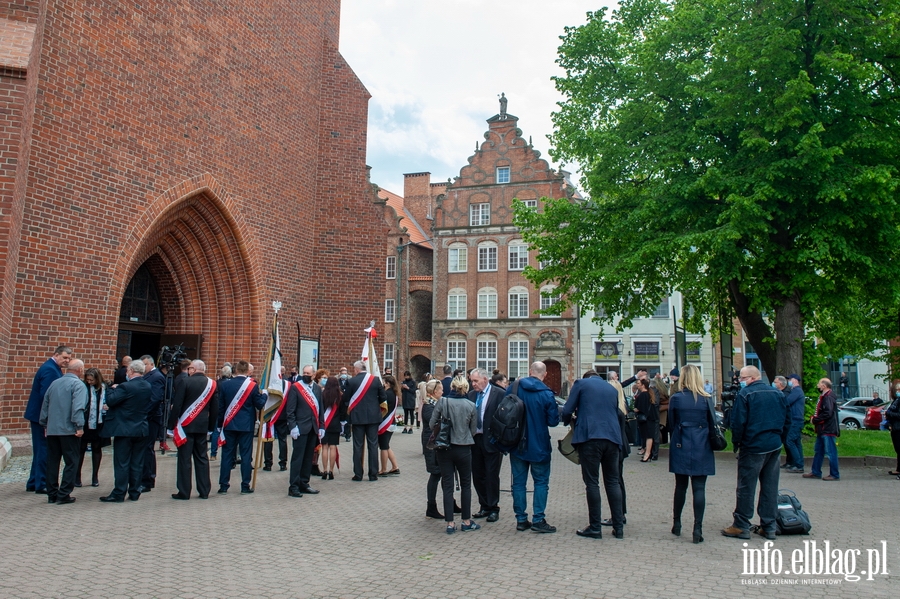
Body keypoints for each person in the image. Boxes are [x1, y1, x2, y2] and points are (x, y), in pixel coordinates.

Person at [721, 365, 791, 541]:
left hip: (753, 446)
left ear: (752, 378)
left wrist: (737, 443)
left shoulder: (745, 395)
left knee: (746, 486)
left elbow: (738, 422)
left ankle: (741, 525)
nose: (740, 381)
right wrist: (780, 438)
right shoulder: (777, 393)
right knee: (770, 487)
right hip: (774, 444)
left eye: (743, 378)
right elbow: (787, 419)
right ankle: (769, 526)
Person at [508, 361, 561, 533]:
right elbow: (553, 421)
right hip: (539, 445)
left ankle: (521, 519)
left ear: (530, 371)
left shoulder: (514, 387)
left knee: (518, 483)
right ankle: (538, 519)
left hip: (517, 444)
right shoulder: (546, 394)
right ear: (544, 374)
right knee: (540, 482)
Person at [668, 364, 715, 543]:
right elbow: (712, 423)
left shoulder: (677, 398)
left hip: (681, 443)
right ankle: (698, 528)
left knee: (680, 486)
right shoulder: (706, 399)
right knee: (699, 488)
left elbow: (671, 424)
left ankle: (677, 523)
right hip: (702, 445)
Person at [430, 374, 479, 534]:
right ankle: (466, 521)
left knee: (448, 485)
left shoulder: (443, 402)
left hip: (444, 448)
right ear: (466, 388)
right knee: (466, 485)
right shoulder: (471, 405)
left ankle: (450, 523)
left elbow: (432, 423)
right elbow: (473, 429)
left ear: (451, 387)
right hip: (464, 447)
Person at [99, 359, 151, 502]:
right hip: (141, 428)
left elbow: (111, 401)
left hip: (124, 429)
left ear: (131, 371)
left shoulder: (125, 387)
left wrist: (111, 389)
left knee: (122, 462)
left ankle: (119, 492)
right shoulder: (147, 386)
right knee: (137, 462)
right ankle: (134, 491)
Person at [24, 345, 73, 495]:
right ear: (56, 355)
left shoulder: (52, 367)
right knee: (44, 450)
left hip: (39, 416)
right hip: (42, 417)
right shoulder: (50, 370)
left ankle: (34, 481)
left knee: (40, 449)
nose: (67, 361)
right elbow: (48, 396)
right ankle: (42, 483)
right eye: (65, 357)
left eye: (69, 359)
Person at [167, 360, 218, 500]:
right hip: (202, 426)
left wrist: (170, 426)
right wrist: (211, 427)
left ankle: (184, 491)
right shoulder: (212, 384)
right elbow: (215, 409)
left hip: (185, 426)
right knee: (202, 458)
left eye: (189, 368)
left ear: (193, 369)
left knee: (185, 459)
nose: (188, 370)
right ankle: (204, 490)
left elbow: (177, 405)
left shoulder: (185, 382)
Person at [39, 358, 87, 504]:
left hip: (53, 429)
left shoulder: (55, 383)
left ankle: (52, 493)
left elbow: (45, 404)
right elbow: (77, 407)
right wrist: (79, 426)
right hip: (69, 430)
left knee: (53, 461)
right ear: (79, 370)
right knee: (71, 462)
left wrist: (44, 424)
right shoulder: (78, 385)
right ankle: (64, 493)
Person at [216, 360, 266, 494]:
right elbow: (259, 404)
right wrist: (265, 395)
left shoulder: (226, 385)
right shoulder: (253, 386)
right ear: (247, 371)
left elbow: (220, 407)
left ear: (236, 370)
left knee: (227, 455)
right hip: (246, 425)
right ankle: (245, 485)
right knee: (245, 456)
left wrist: (219, 425)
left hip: (229, 424)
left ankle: (223, 486)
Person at [466, 368, 506, 523]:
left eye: (475, 381)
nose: (473, 384)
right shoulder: (470, 395)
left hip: (492, 441)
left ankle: (493, 507)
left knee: (491, 475)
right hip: (475, 439)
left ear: (485, 379)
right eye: (471, 381)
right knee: (478, 474)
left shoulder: (499, 394)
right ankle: (484, 505)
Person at [341, 361, 385, 481]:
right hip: (373, 417)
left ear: (356, 369)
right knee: (373, 445)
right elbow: (383, 397)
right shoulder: (375, 380)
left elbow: (345, 398)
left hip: (357, 417)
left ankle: (358, 474)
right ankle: (373, 474)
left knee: (358, 446)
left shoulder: (351, 381)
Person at [285, 364, 324, 496]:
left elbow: (321, 409)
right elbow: (290, 409)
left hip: (313, 428)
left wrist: (322, 426)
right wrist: (293, 426)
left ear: (314, 375)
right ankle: (294, 486)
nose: (306, 375)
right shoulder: (296, 388)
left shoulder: (317, 389)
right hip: (300, 428)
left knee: (308, 458)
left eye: (308, 373)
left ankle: (304, 483)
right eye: (304, 373)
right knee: (298, 458)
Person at [76, 368, 110, 488]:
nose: (89, 382)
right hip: (85, 422)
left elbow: (109, 400)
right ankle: (77, 476)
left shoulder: (104, 387)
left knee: (97, 448)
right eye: (88, 379)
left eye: (92, 380)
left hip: (99, 422)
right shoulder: (83, 386)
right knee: (80, 449)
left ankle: (95, 476)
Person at [803, 378, 840, 481]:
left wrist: (815, 419)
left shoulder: (828, 397)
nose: (817, 385)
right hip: (823, 429)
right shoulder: (825, 396)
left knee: (831, 452)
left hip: (827, 429)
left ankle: (834, 474)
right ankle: (815, 471)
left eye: (819, 383)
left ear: (824, 385)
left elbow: (827, 413)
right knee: (818, 450)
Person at [140, 355, 166, 492]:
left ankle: (148, 479)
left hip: (151, 418)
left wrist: (144, 414)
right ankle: (145, 477)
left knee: (147, 448)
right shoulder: (149, 376)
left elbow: (155, 399)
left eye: (144, 364)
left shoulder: (156, 377)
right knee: (145, 448)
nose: (142, 367)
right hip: (147, 417)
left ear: (151, 363)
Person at [421, 379, 445, 519]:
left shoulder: (434, 404)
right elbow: (434, 425)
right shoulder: (429, 407)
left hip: (435, 444)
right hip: (431, 446)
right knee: (435, 474)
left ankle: (449, 502)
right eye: (441, 390)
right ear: (435, 392)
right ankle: (431, 506)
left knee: (442, 474)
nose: (443, 392)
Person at [263, 366, 291, 472]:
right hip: (282, 415)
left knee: (268, 439)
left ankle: (268, 463)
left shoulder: (269, 383)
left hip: (270, 414)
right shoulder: (288, 385)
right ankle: (283, 463)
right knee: (282, 440)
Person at [319, 376, 342, 480]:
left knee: (324, 447)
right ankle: (331, 471)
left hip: (325, 423)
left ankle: (324, 471)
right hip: (335, 424)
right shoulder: (340, 395)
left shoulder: (323, 394)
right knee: (333, 447)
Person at [783, 374, 806, 473]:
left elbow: (787, 401)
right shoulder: (796, 391)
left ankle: (798, 464)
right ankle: (798, 463)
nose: (789, 381)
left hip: (795, 420)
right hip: (797, 419)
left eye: (790, 379)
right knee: (796, 442)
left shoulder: (796, 391)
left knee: (790, 441)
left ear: (795, 380)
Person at [209, 362, 232, 461]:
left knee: (216, 432)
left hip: (216, 410)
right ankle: (227, 455)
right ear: (230, 374)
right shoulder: (230, 384)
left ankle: (213, 454)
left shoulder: (215, 383)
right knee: (228, 433)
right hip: (228, 410)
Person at [633, 379, 656, 462]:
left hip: (646, 419)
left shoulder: (643, 395)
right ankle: (648, 453)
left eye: (638, 383)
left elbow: (639, 407)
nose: (637, 385)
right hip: (651, 418)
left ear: (643, 385)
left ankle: (647, 453)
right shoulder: (650, 394)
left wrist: (636, 409)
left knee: (648, 436)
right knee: (649, 436)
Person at [884, 383, 900, 477]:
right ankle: (898, 469)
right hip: (895, 427)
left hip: (898, 428)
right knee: (897, 449)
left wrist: (889, 414)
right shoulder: (896, 401)